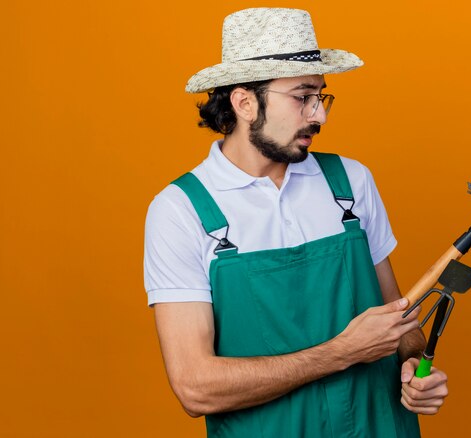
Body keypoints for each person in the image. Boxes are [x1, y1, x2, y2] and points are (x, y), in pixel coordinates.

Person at [144, 7, 448, 437]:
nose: (319, 116)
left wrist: (413, 364)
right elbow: (196, 387)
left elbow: (399, 322)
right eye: (302, 96)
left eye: (321, 96)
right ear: (245, 102)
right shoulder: (181, 210)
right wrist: (342, 352)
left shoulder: (351, 184)